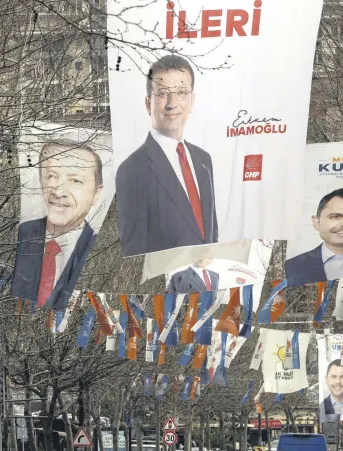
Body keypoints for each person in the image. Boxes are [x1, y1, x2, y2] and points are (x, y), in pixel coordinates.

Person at [115, 54, 218, 256]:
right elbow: (134, 254)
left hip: (207, 282)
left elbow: (210, 235)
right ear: (148, 103)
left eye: (181, 92)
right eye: (162, 94)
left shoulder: (203, 160)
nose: (172, 103)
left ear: (191, 99)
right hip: (165, 285)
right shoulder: (132, 169)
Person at [12, 138, 102, 311]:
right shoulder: (17, 235)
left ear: (97, 192)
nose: (58, 192)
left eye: (75, 180)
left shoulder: (101, 252)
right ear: (40, 180)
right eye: (51, 176)